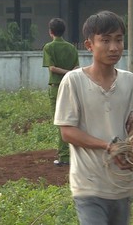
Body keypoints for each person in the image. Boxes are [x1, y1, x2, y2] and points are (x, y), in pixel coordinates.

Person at [54, 10, 133, 225]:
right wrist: (108, 146)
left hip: (122, 184)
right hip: (88, 185)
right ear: (89, 45)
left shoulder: (130, 82)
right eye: (105, 40)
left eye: (119, 40)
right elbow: (67, 132)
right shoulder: (73, 81)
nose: (114, 47)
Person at [42, 17, 79, 166]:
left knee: (61, 122)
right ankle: (73, 153)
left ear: (50, 32)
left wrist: (65, 72)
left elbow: (52, 68)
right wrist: (70, 73)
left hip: (56, 87)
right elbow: (77, 68)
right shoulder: (72, 47)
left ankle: (64, 156)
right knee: (72, 120)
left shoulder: (48, 48)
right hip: (71, 86)